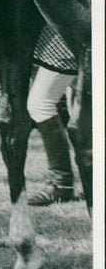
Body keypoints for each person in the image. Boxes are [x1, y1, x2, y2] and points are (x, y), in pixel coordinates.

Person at [26, 66, 77, 206]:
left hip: (62, 49)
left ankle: (61, 183)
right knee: (80, 103)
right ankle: (89, 180)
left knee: (40, 104)